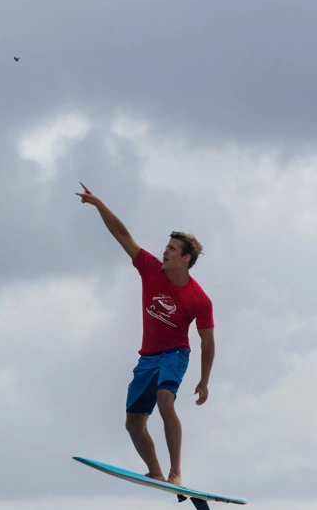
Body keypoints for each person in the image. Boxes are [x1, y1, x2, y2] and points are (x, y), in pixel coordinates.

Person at [76, 182, 214, 491]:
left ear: (187, 258)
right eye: (166, 247)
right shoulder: (151, 270)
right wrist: (98, 204)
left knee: (166, 398)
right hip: (147, 357)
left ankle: (176, 472)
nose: (164, 251)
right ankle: (155, 471)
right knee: (133, 424)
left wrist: (204, 380)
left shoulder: (199, 299)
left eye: (172, 249)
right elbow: (123, 235)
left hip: (176, 353)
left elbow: (207, 342)